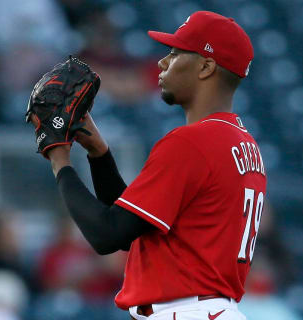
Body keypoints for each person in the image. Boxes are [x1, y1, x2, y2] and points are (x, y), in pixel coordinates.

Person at [36, 11, 266, 320]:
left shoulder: (193, 142)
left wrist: (59, 159)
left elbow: (107, 235)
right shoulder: (244, 144)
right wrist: (99, 154)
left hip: (184, 311)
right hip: (210, 308)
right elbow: (133, 229)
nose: (162, 62)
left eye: (175, 53)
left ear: (206, 67)